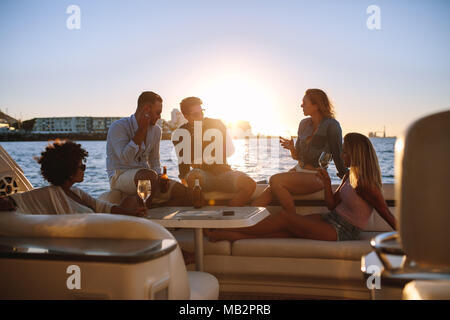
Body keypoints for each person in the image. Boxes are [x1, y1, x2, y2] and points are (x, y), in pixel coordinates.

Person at [205, 133, 397, 242]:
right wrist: (328, 184)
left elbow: (386, 214)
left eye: (345, 151)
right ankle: (232, 235)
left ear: (356, 153)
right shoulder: (349, 175)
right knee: (288, 229)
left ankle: (228, 231)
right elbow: (331, 205)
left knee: (284, 218)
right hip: (331, 218)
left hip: (343, 231)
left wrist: (408, 243)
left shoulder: (366, 185)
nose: (342, 154)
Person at [252, 88, 348, 214]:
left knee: (275, 180)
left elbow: (338, 156)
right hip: (298, 169)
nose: (301, 105)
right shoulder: (303, 124)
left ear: (316, 105)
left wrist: (348, 178)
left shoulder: (332, 126)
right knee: (271, 189)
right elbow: (298, 157)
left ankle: (291, 220)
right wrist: (292, 149)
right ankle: (243, 221)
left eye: (304, 102)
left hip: (317, 176)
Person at [0, 140, 144, 216]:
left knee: (130, 201)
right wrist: (6, 202)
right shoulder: (48, 194)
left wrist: (131, 213)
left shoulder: (76, 192)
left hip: (97, 230)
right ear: (69, 171)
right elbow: (15, 199)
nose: (84, 170)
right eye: (82, 167)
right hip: (76, 245)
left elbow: (101, 206)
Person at [106, 91, 191, 206]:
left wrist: (160, 177)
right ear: (146, 109)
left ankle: (155, 206)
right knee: (147, 176)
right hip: (120, 176)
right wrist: (141, 131)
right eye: (158, 112)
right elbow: (125, 159)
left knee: (184, 192)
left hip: (148, 178)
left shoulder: (156, 130)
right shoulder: (118, 127)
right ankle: (145, 207)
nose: (160, 117)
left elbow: (154, 160)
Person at [172, 96, 256, 206]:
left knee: (250, 184)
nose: (201, 117)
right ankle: (202, 213)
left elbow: (229, 150)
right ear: (186, 116)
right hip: (202, 177)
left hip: (224, 173)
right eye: (196, 114)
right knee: (193, 177)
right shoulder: (180, 134)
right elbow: (183, 167)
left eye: (202, 112)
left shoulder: (216, 124)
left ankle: (229, 213)